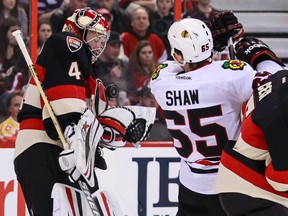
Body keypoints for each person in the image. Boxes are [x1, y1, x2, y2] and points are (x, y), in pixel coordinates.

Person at [150, 12, 285, 215]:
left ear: (177, 54)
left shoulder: (161, 81)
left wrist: (209, 45)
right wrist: (258, 53)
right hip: (230, 180)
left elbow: (179, 65)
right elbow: (276, 84)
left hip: (190, 184)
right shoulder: (233, 75)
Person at [14, 8, 110, 215]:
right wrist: (72, 129)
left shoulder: (87, 70)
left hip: (64, 150)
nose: (100, 44)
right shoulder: (67, 43)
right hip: (43, 145)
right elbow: (65, 102)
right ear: (80, 31)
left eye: (103, 39)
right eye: (96, 36)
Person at [215, 37, 288, 215]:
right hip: (249, 190)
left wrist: (253, 49)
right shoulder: (277, 116)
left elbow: (263, 59)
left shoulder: (281, 78)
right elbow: (279, 180)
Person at [93, 31, 130, 105]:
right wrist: (110, 77)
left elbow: (131, 88)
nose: (116, 50)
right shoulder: (94, 64)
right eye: (113, 46)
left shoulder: (124, 65)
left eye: (118, 46)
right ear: (103, 45)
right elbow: (95, 87)